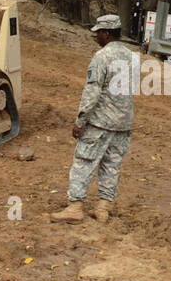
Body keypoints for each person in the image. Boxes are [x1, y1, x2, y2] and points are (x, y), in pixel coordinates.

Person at [51, 14, 137, 223]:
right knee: (112, 164)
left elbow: (92, 92)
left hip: (100, 121)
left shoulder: (101, 57)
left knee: (84, 161)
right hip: (123, 121)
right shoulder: (131, 56)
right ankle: (103, 207)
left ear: (107, 33)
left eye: (99, 32)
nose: (97, 36)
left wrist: (80, 121)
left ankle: (75, 207)